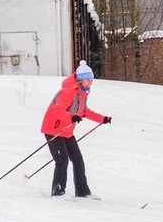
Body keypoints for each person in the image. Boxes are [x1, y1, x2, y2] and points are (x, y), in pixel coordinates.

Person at [40, 61, 112, 197]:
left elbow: (84, 111)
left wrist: (102, 118)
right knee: (62, 161)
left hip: (66, 132)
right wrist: (71, 117)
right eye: (87, 79)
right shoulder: (67, 92)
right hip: (53, 130)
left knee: (78, 160)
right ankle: (58, 192)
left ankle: (82, 191)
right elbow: (57, 111)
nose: (90, 82)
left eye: (91, 79)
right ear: (80, 79)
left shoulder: (82, 93)